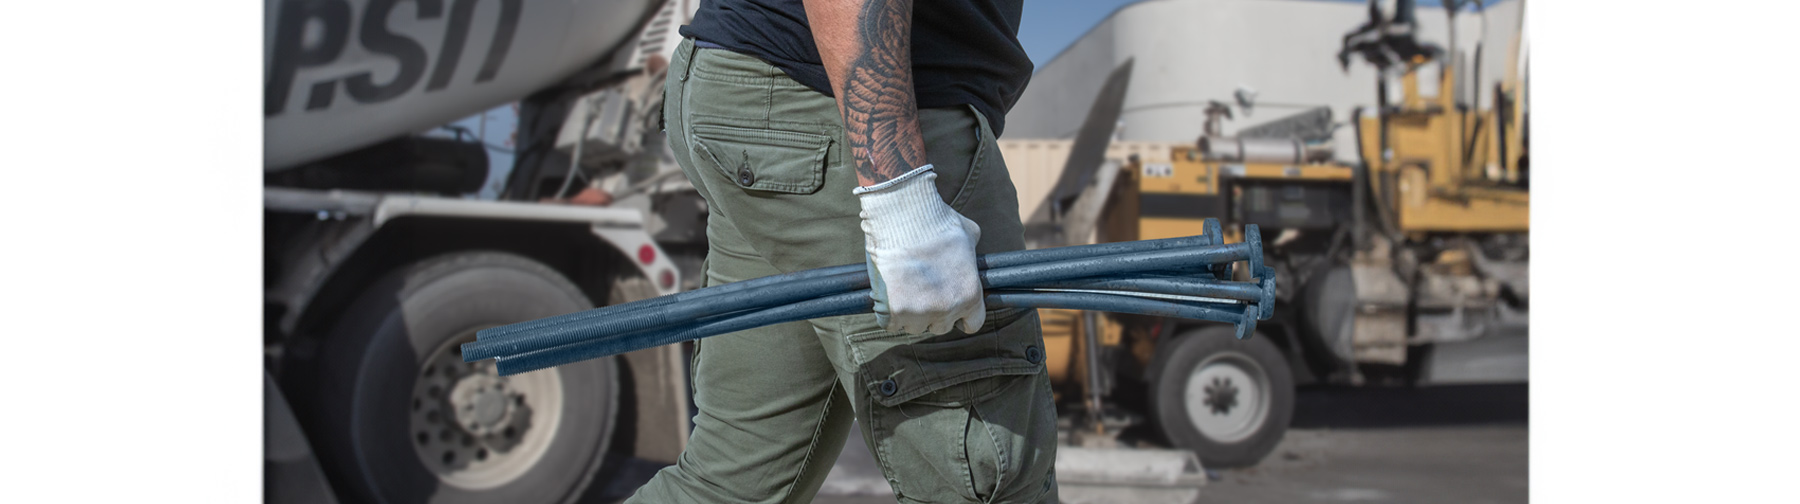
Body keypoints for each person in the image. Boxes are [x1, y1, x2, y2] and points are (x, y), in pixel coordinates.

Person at [629, 0, 1055, 502]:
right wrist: (901, 199)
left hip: (763, 100)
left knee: (732, 480)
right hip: (853, 109)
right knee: (994, 483)